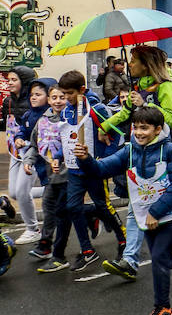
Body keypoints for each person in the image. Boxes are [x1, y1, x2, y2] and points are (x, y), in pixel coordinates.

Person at [75, 106, 172, 315]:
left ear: (158, 129)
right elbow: (101, 169)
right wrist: (86, 159)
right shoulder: (129, 151)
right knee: (162, 259)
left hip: (169, 216)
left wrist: (156, 211)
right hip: (146, 216)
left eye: (144, 128)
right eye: (135, 127)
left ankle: (163, 308)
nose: (138, 132)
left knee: (159, 260)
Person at [38, 70, 126, 273]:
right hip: (74, 171)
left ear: (82, 90)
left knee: (103, 206)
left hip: (94, 168)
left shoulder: (97, 109)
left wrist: (106, 158)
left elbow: (115, 136)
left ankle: (123, 240)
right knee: (73, 208)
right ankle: (87, 250)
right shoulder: (67, 112)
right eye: (63, 93)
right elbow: (67, 138)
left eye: (69, 93)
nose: (66, 98)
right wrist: (57, 157)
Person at [23, 85, 68, 259]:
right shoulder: (42, 121)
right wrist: (29, 161)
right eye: (54, 97)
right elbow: (35, 145)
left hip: (69, 174)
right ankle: (45, 244)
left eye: (62, 97)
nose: (58, 101)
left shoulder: (71, 119)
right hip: (51, 175)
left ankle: (50, 246)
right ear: (49, 100)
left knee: (65, 210)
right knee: (49, 207)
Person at [1, 66, 41, 244]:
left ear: (24, 82)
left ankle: (33, 229)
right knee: (15, 193)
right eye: (8, 80)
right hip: (15, 151)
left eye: (13, 80)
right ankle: (56, 189)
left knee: (23, 192)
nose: (9, 83)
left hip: (31, 151)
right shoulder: (7, 102)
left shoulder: (33, 101)